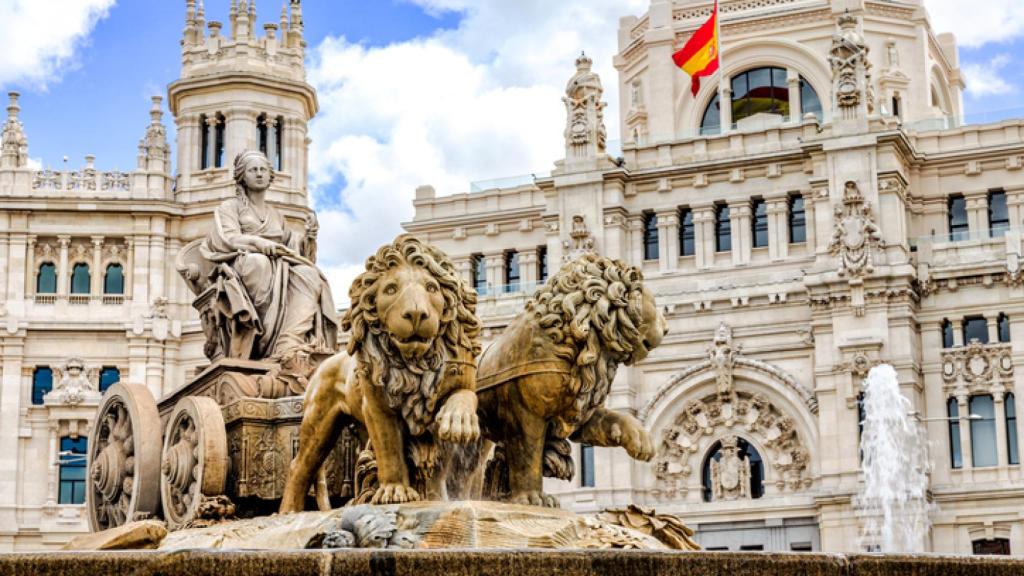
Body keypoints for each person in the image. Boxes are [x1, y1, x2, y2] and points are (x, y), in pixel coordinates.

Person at [200, 150, 338, 374]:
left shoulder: (276, 215)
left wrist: (310, 237)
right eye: (253, 170)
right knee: (259, 263)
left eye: (263, 169)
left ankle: (288, 342)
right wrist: (258, 243)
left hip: (279, 265)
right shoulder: (229, 208)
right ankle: (261, 339)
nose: (259, 174)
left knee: (309, 274)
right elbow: (228, 238)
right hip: (243, 265)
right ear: (242, 176)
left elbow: (296, 251)